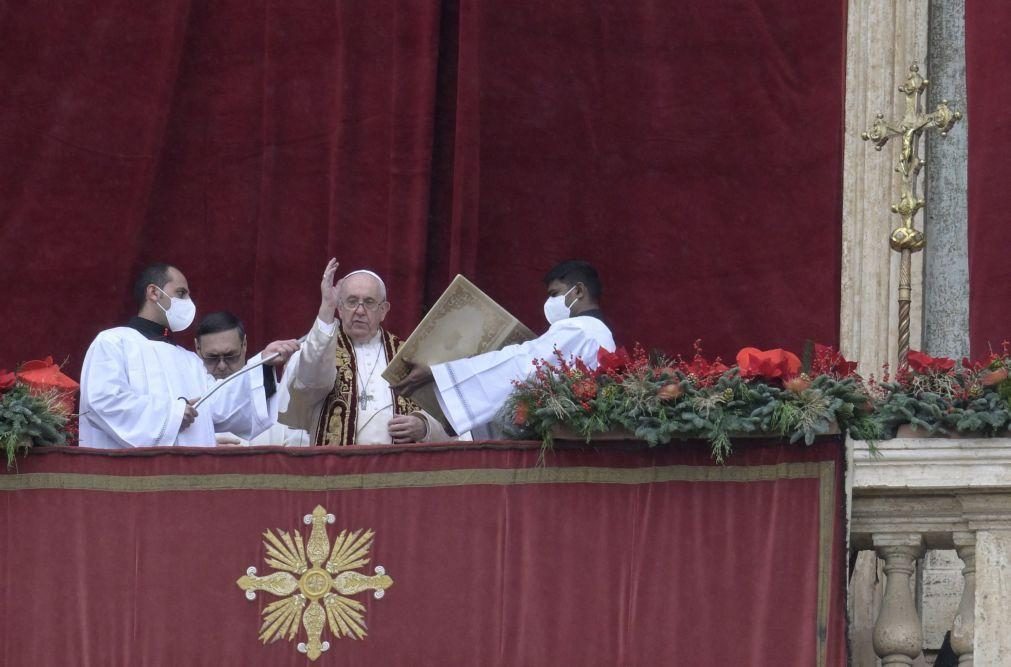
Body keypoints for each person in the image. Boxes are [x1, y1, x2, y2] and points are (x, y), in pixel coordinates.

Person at [79, 263, 300, 448]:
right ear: (154, 293)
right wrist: (173, 415)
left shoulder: (189, 360)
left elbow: (221, 406)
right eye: (181, 293)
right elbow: (103, 402)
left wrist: (264, 362)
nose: (188, 302)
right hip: (129, 483)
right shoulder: (113, 342)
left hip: (187, 486)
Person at [393, 260, 615, 436]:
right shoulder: (595, 331)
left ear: (578, 291)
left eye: (554, 294)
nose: (549, 302)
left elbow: (524, 367)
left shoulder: (579, 330)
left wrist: (440, 373)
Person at [277, 259, 453, 445]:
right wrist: (326, 307)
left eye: (369, 302)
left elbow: (448, 420)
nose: (360, 310)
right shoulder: (317, 351)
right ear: (340, 308)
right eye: (352, 302)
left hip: (398, 470)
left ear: (384, 311)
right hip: (337, 469)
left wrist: (424, 427)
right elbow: (310, 384)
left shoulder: (409, 356)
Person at [194, 310, 309, 446]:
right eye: (212, 357)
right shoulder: (189, 401)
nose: (222, 366)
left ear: (244, 345)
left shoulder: (280, 396)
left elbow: (299, 453)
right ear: (197, 348)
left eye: (230, 355)